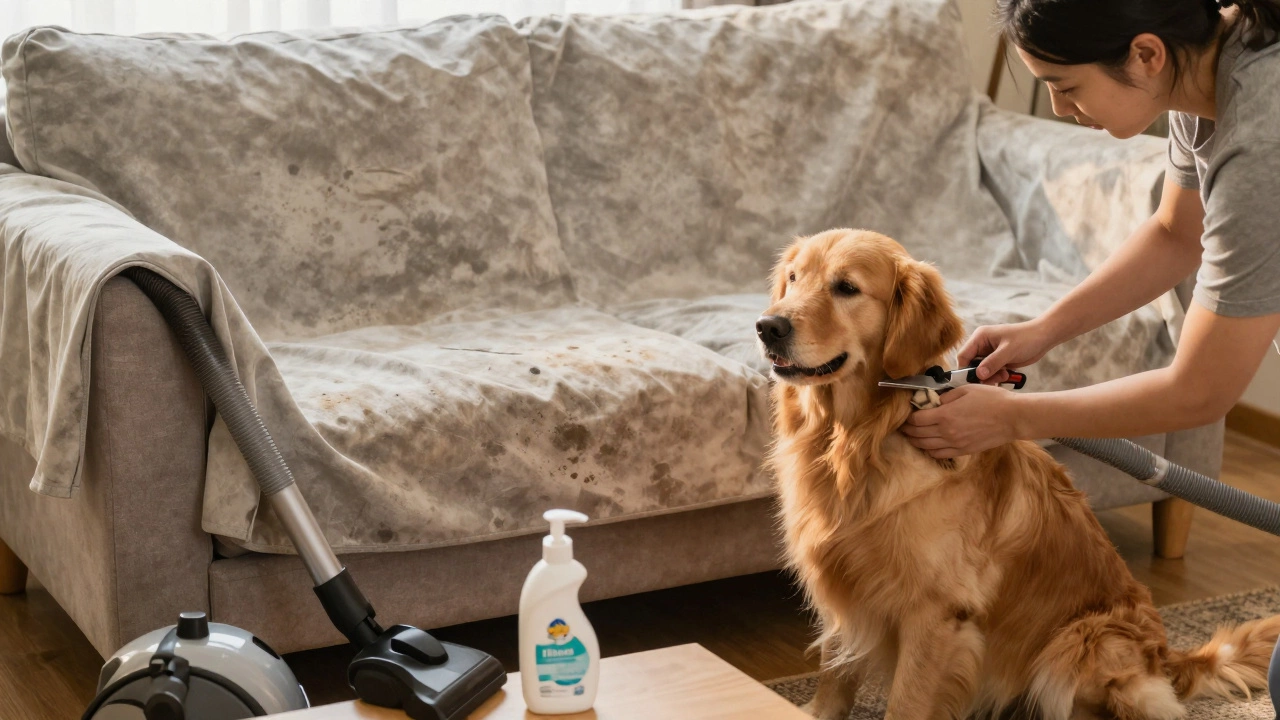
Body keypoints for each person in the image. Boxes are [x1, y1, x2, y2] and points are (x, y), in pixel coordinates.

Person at [904, 0, 1280, 459]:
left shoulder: (1260, 143)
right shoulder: (1204, 68)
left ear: (1146, 55)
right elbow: (1176, 233)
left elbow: (1200, 390)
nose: (1059, 107)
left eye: (1066, 86)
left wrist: (1012, 418)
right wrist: (1044, 329)